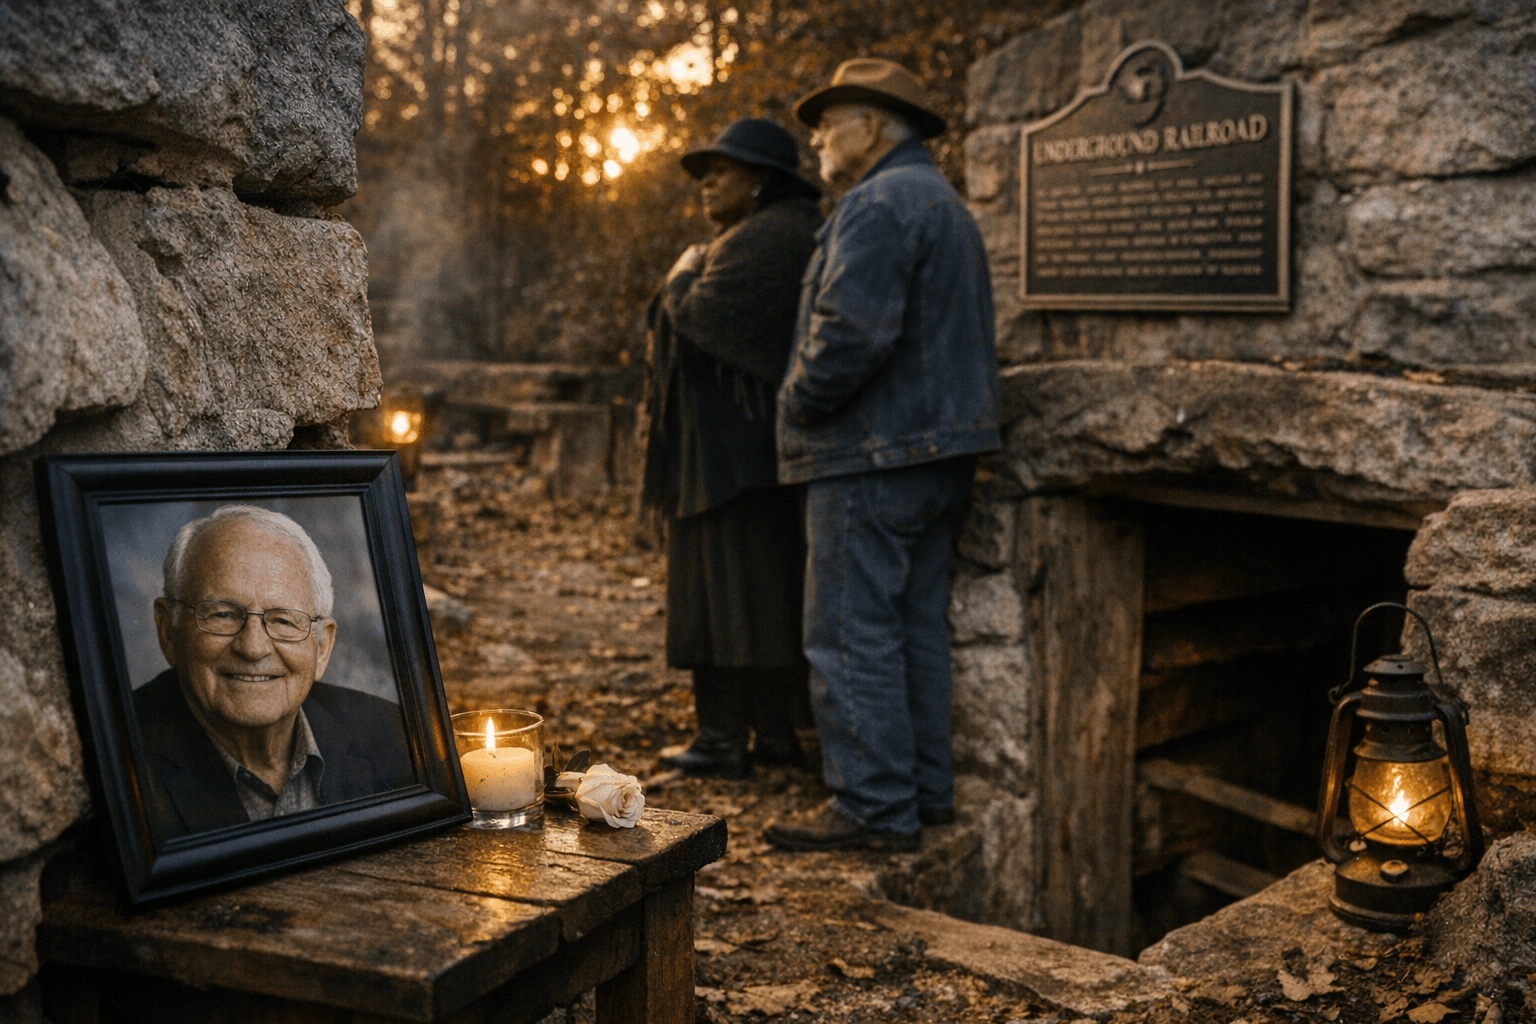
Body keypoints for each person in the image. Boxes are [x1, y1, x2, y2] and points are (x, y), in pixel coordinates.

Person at [764, 59, 1002, 851]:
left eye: (829, 122)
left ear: (872, 125)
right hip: (935, 457)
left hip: (870, 455)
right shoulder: (942, 202)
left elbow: (851, 336)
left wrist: (796, 400)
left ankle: (873, 808)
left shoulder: (877, 203)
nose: (819, 137)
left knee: (848, 633)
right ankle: (924, 798)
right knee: (913, 628)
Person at [639, 118, 824, 779]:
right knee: (760, 596)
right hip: (740, 459)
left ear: (763, 182)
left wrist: (682, 273)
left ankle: (723, 741)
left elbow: (700, 316)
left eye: (723, 169)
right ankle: (773, 737)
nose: (706, 182)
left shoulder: (771, 237)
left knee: (724, 597)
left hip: (734, 463)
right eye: (703, 172)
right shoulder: (768, 234)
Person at [137, 505, 414, 838]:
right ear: (169, 631)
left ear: (322, 647)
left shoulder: (394, 735)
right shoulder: (119, 758)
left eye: (283, 620)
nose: (253, 648)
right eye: (223, 615)